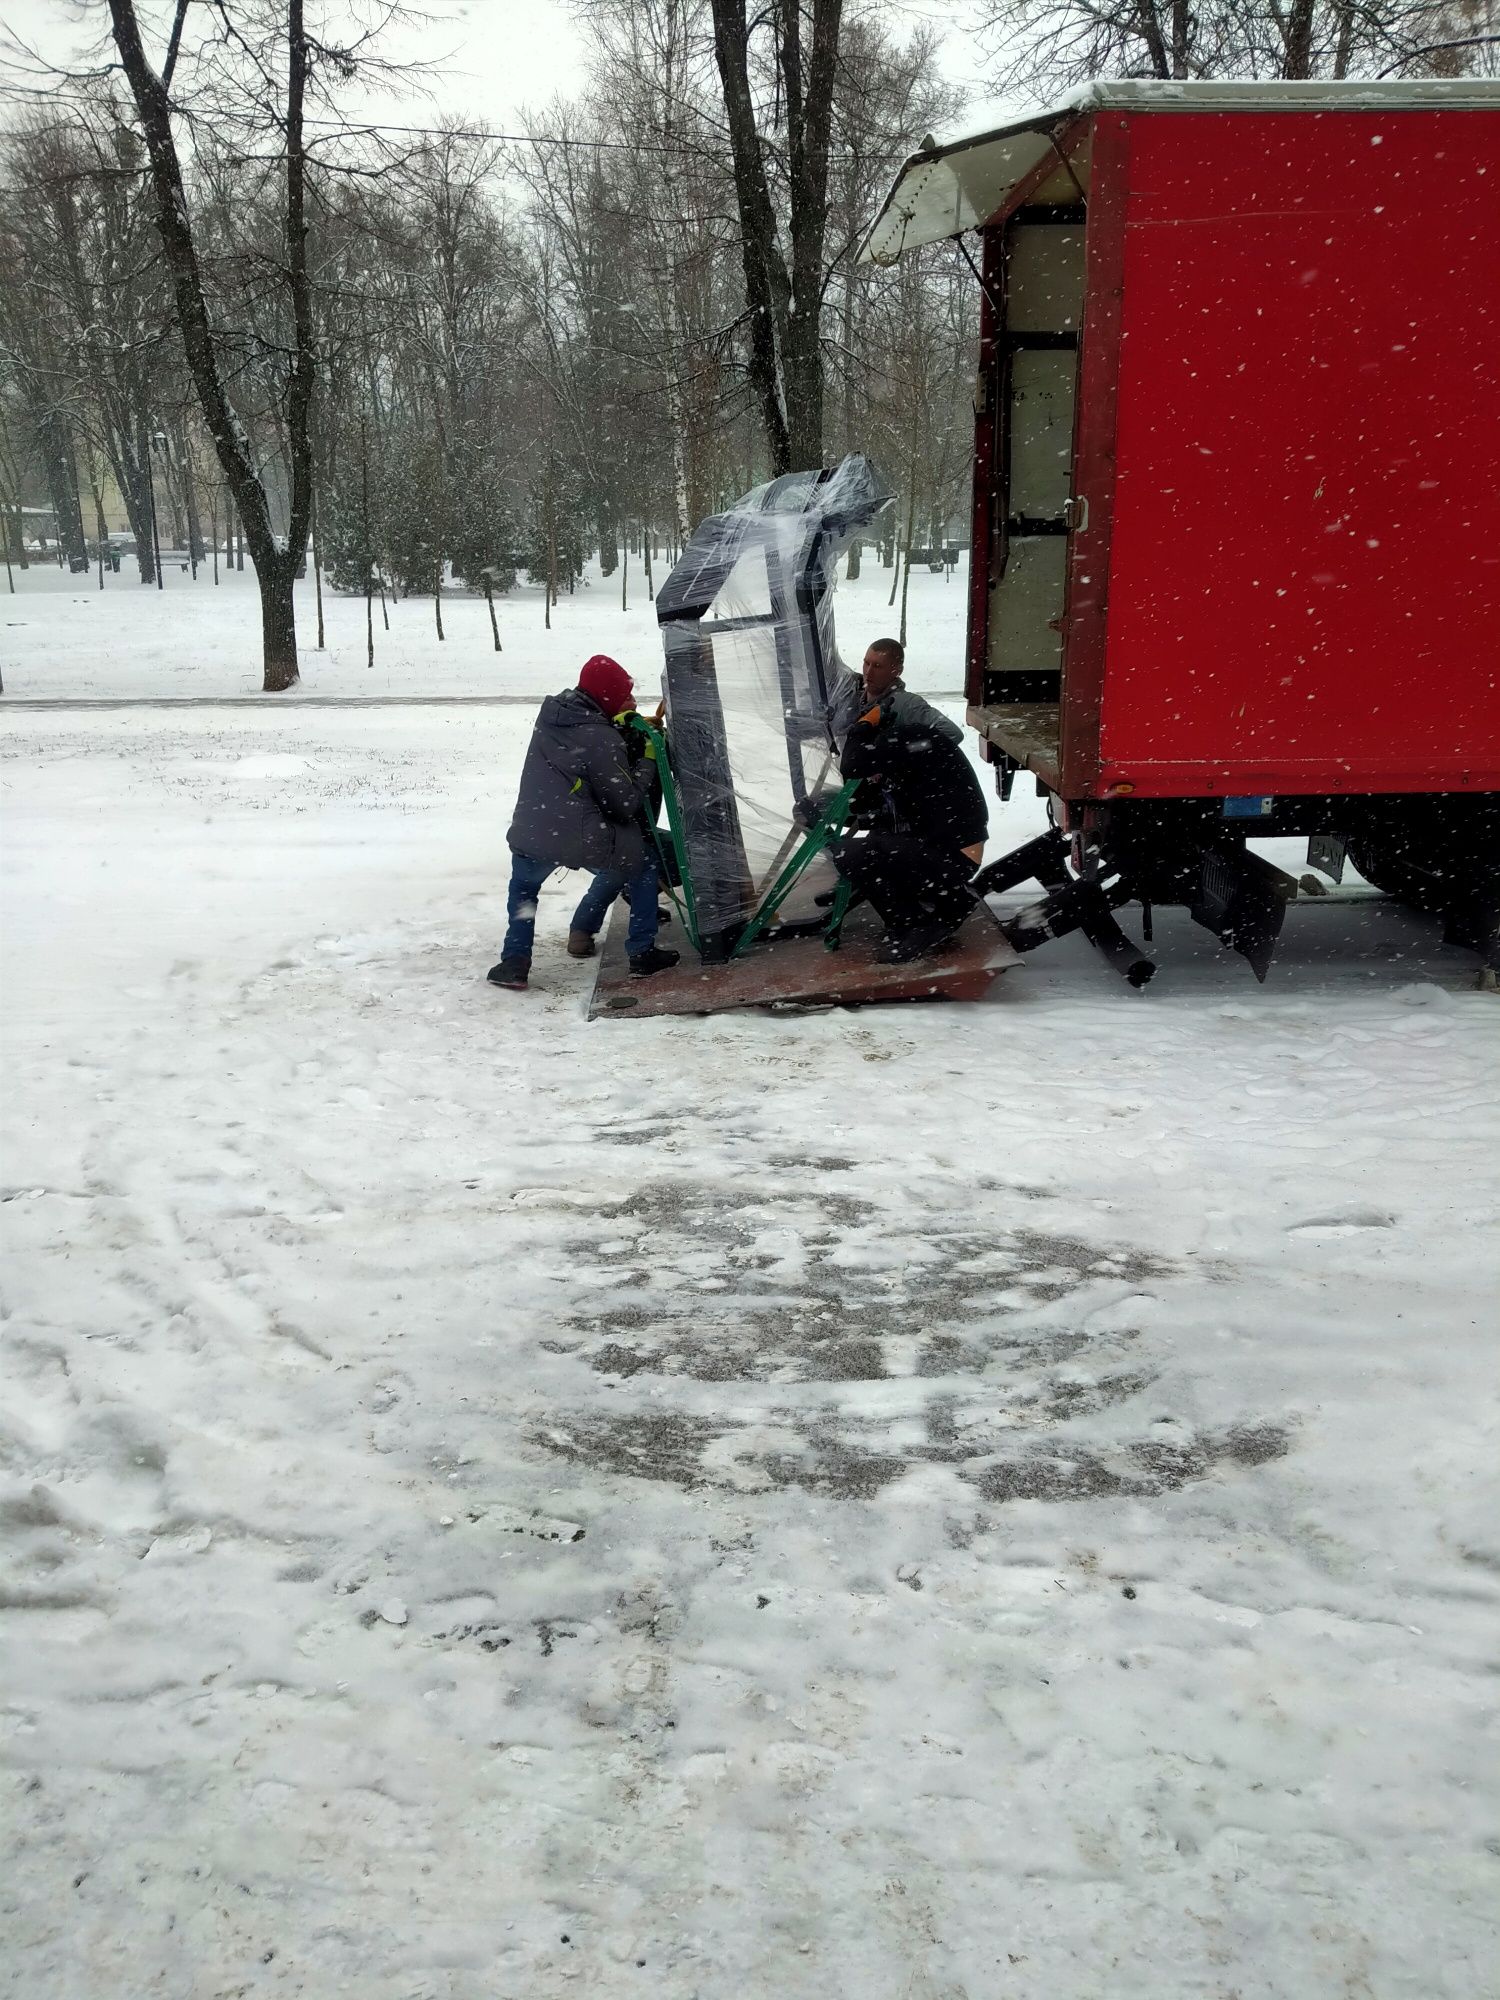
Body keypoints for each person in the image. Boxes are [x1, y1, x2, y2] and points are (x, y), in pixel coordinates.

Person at [488, 654, 679, 990]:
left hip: (532, 829)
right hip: (578, 833)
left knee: (524, 890)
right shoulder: (601, 738)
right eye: (624, 695)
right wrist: (647, 758)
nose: (629, 700)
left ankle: (515, 961)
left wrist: (620, 728)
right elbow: (624, 803)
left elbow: (577, 757)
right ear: (607, 698)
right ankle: (641, 952)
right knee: (643, 864)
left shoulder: (552, 716)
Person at [831, 686, 988, 964]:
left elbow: (854, 765)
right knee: (854, 852)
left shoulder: (914, 738)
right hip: (934, 846)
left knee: (872, 849)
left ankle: (937, 914)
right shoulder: (903, 752)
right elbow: (863, 801)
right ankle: (912, 919)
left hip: (956, 856)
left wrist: (863, 727)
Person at [825, 637, 964, 752]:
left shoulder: (905, 704)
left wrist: (902, 751)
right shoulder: (850, 691)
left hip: (888, 784)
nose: (869, 672)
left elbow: (952, 733)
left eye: (878, 666)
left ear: (897, 671)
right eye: (866, 663)